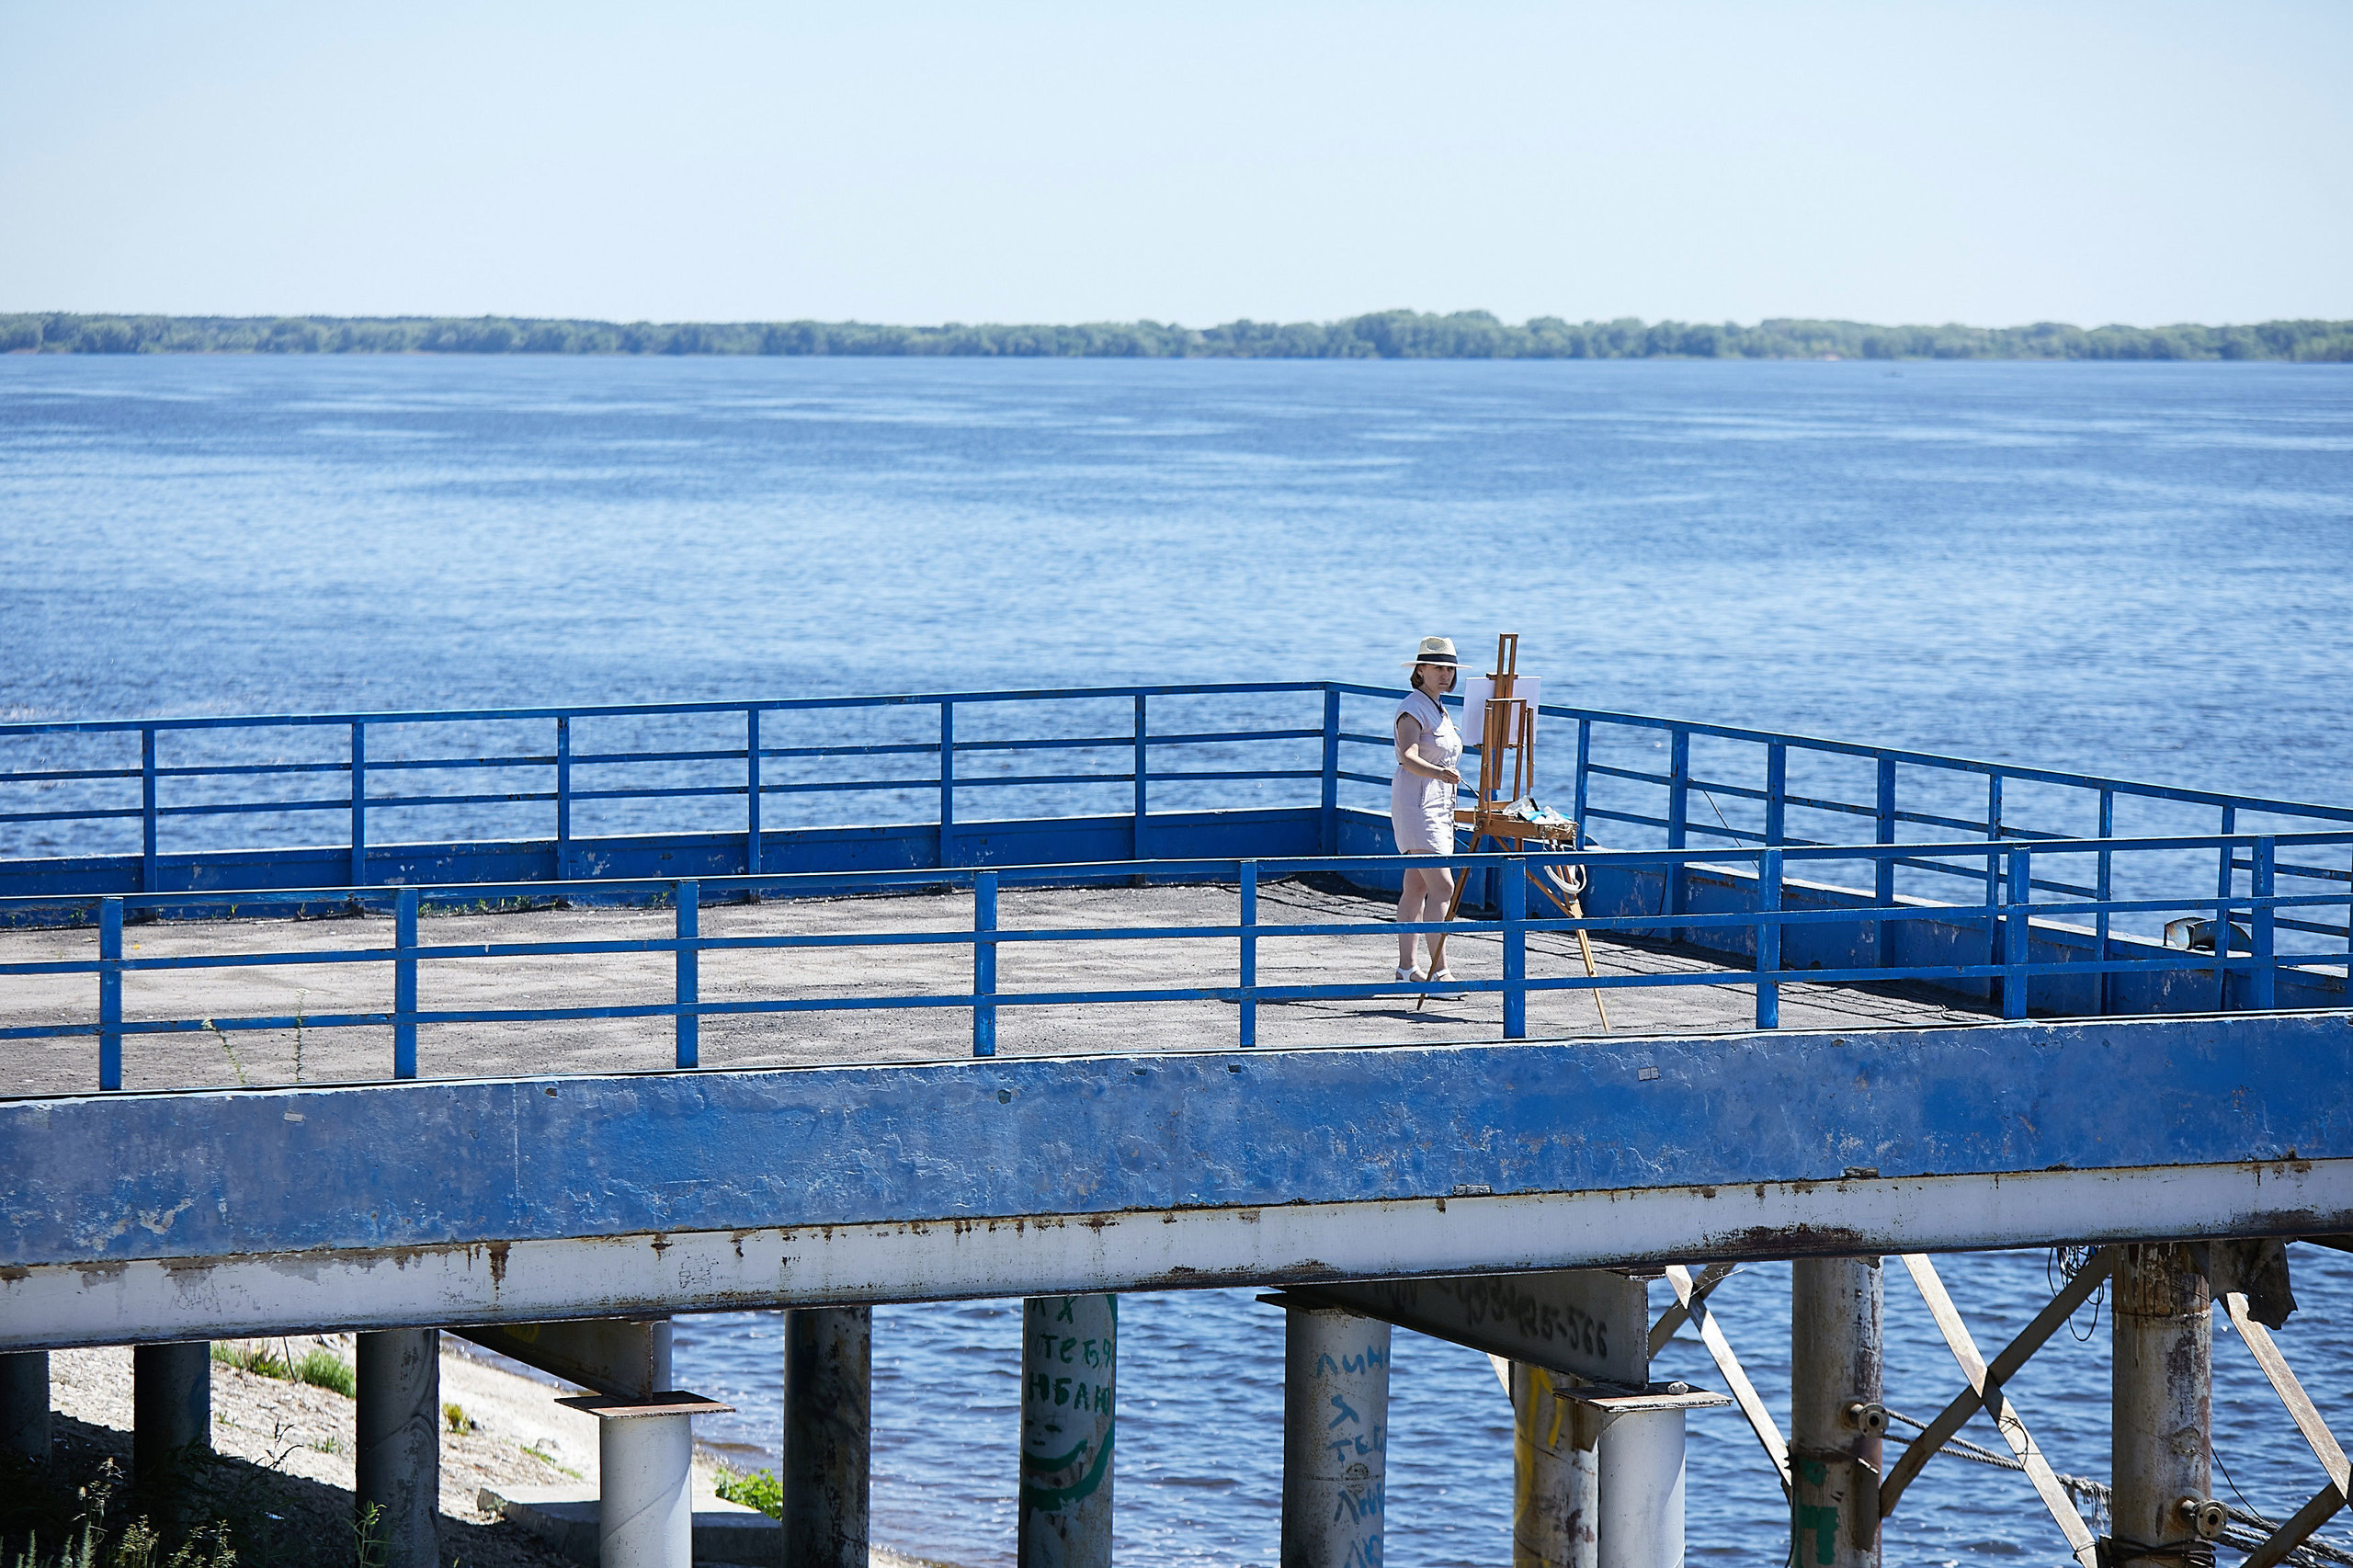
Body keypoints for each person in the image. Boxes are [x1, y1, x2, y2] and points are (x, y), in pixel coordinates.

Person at [1392, 636, 1464, 988]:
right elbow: (1407, 755)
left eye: (1450, 669)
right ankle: (1440, 971)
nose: (1445, 675)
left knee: (1416, 886)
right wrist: (1439, 773)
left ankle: (1407, 967)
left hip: (1437, 805)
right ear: (1419, 670)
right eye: (1438, 668)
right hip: (1418, 806)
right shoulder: (1412, 707)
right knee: (1443, 887)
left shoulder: (1438, 707)